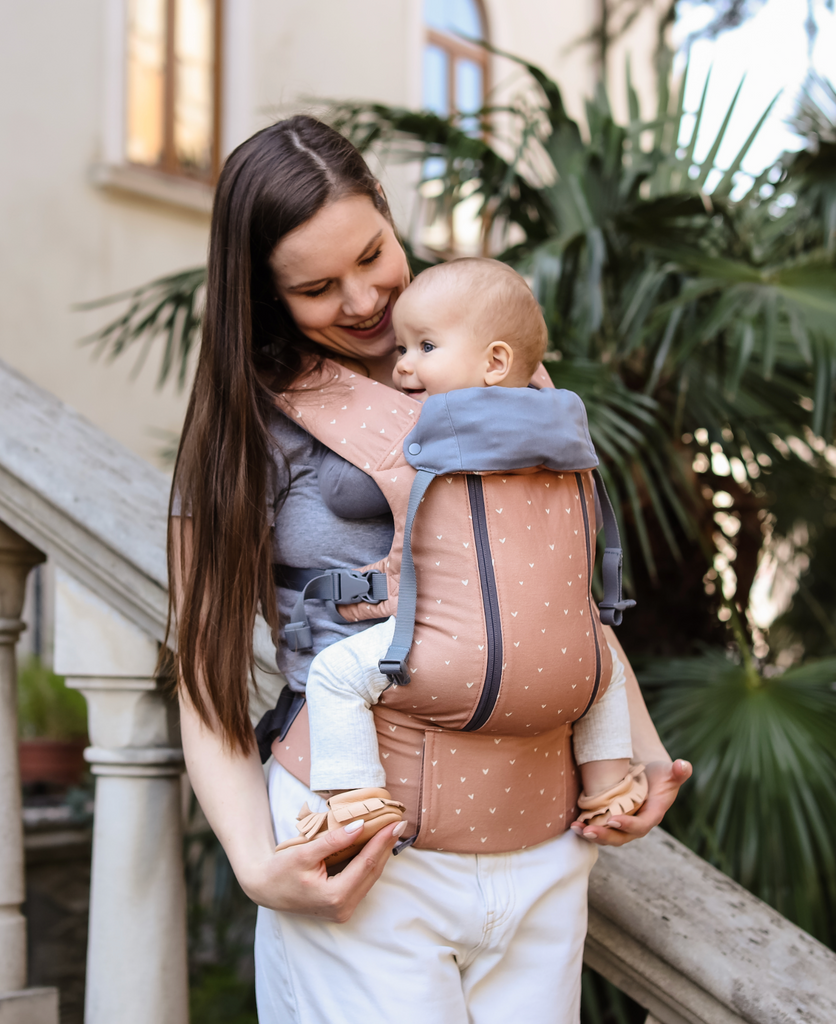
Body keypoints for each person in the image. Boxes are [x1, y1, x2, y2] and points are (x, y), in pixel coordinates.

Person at [169, 114, 692, 1024]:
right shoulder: (249, 426)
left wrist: (635, 758)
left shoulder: (504, 370)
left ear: (387, 210)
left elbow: (550, 590)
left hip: (540, 845)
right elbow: (202, 663)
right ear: (265, 295)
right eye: (317, 288)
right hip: (373, 855)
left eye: (374, 253)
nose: (366, 299)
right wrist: (259, 866)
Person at [280, 257, 644, 864]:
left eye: (424, 346)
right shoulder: (565, 431)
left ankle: (357, 798)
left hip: (454, 654)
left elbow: (347, 491)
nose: (402, 365)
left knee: (337, 676)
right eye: (403, 347)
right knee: (601, 672)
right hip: (565, 653)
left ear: (494, 362)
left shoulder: (434, 426)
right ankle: (609, 787)